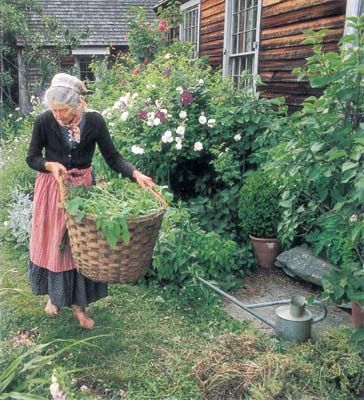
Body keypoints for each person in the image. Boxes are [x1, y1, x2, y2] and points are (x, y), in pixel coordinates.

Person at [26, 73, 154, 330]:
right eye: (54, 111)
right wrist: (49, 165)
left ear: (77, 105)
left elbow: (113, 157)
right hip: (52, 189)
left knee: (81, 248)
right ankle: (54, 297)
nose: (58, 116)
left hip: (82, 193)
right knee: (55, 244)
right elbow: (32, 157)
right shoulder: (43, 122)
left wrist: (136, 173)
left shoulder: (94, 121)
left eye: (63, 110)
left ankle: (81, 308)